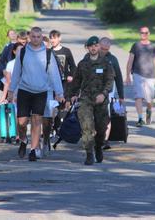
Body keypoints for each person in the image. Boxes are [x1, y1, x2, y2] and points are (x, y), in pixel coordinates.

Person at [9, 27, 64, 161]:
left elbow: (54, 74)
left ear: (41, 37)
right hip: (24, 90)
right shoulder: (22, 52)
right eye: (33, 36)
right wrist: (11, 90)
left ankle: (33, 149)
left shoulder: (47, 53)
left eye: (38, 37)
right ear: (29, 37)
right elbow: (16, 72)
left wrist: (59, 93)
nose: (36, 39)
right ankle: (23, 140)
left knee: (37, 120)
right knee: (21, 122)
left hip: (41, 91)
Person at [67, 36, 115, 165]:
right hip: (86, 99)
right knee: (86, 126)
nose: (93, 48)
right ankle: (89, 153)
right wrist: (72, 95)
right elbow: (76, 82)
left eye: (95, 46)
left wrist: (104, 94)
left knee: (101, 128)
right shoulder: (82, 64)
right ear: (87, 48)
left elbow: (110, 82)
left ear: (99, 47)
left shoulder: (106, 63)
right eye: (90, 46)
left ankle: (98, 146)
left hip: (101, 100)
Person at [125, 26, 155, 127]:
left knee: (149, 99)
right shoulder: (135, 46)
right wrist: (127, 76)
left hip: (151, 76)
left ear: (149, 34)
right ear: (139, 34)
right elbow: (130, 61)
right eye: (142, 33)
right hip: (137, 74)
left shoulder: (153, 47)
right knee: (139, 97)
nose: (144, 34)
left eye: (145, 33)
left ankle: (149, 111)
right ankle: (140, 118)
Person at [99, 37, 124, 149]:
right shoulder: (91, 57)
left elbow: (118, 78)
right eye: (102, 48)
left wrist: (121, 96)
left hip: (109, 93)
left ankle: (105, 140)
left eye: (106, 49)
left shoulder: (113, 59)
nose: (104, 51)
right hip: (92, 92)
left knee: (107, 116)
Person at [49, 30, 76, 98]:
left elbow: (72, 66)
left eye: (54, 38)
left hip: (64, 82)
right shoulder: (48, 52)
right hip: (52, 83)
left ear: (59, 38)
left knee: (63, 103)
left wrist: (72, 76)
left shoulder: (66, 51)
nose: (52, 40)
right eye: (51, 38)